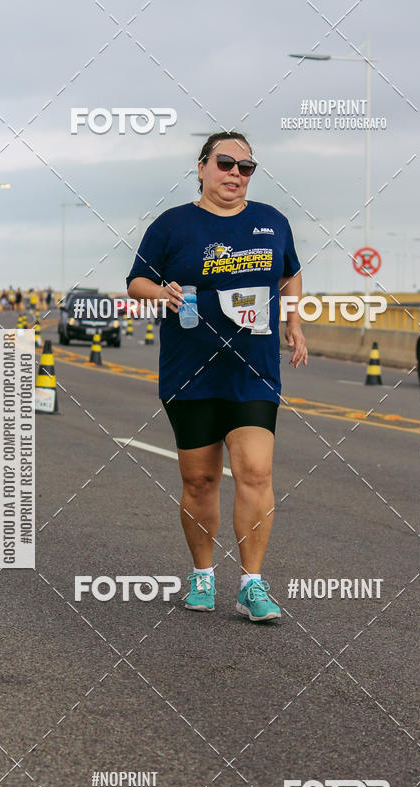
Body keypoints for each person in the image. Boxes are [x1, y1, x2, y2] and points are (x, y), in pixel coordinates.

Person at [127, 131, 307, 623]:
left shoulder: (271, 222)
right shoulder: (173, 225)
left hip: (253, 371)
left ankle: (252, 583)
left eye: (245, 167)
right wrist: (159, 293)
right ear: (202, 166)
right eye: (225, 163)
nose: (235, 174)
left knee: (256, 471)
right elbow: (136, 280)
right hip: (190, 373)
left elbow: (289, 272)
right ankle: (202, 575)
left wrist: (293, 322)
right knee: (201, 478)